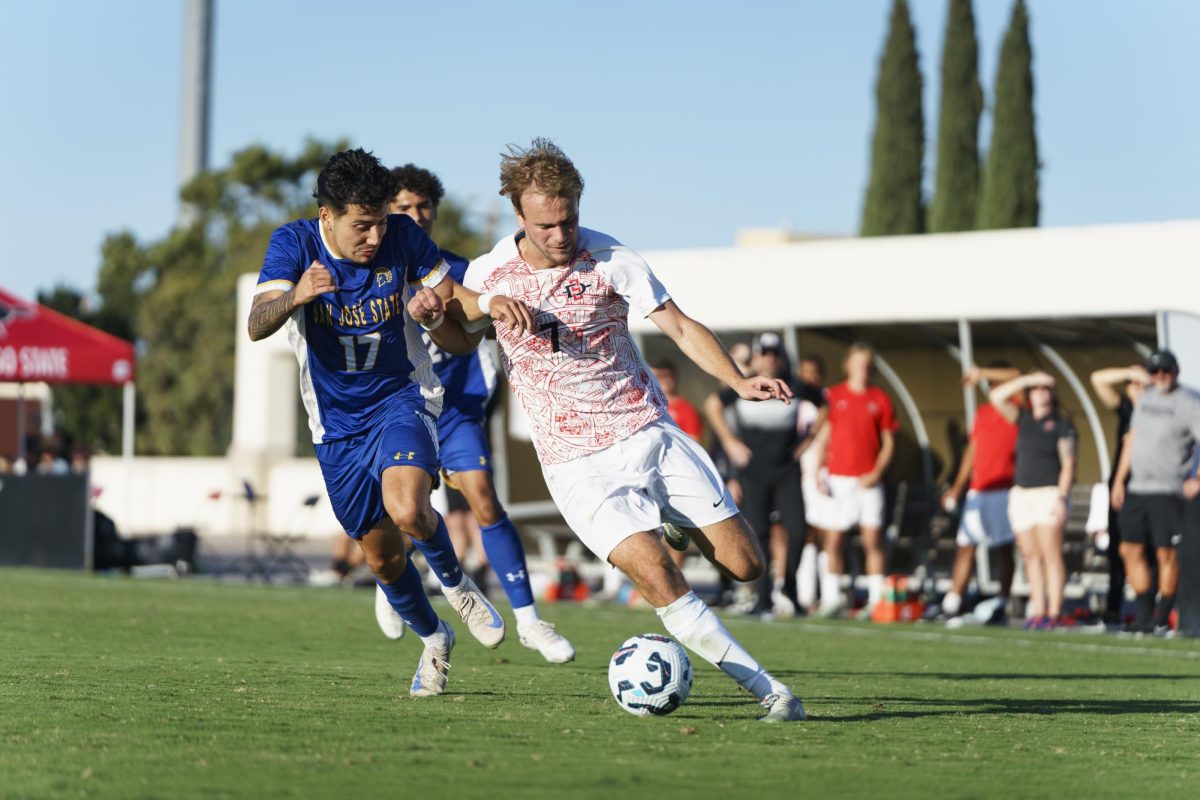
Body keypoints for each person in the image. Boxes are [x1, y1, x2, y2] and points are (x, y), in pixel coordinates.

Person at [409, 138, 805, 722]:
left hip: (647, 429)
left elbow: (678, 324)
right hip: (575, 463)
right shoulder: (492, 273)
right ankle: (769, 690)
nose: (560, 234)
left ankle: (675, 520)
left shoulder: (612, 258)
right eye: (546, 224)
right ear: (520, 216)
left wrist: (740, 380)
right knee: (659, 576)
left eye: (568, 219)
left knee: (748, 565)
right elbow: (462, 341)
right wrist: (441, 316)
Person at [246, 148, 509, 698]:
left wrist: (451, 313)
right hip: (335, 424)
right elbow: (256, 325)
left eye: (379, 223)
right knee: (383, 560)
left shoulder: (403, 238)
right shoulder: (292, 245)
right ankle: (435, 640)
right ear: (327, 217)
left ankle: (458, 586)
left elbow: (460, 328)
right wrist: (298, 293)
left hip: (400, 397)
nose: (373, 236)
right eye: (360, 226)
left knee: (409, 507)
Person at [377, 163, 574, 663]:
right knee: (405, 509)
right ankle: (392, 585)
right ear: (385, 214)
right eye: (404, 208)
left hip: (457, 408)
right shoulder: (368, 273)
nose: (416, 216)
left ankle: (530, 621)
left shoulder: (458, 271)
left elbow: (486, 315)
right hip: (400, 407)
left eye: (424, 207)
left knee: (484, 497)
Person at [705, 332, 819, 617]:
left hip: (786, 470)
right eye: (765, 353)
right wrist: (730, 443)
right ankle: (763, 598)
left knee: (798, 530)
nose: (770, 359)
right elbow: (712, 405)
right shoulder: (746, 385)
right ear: (756, 357)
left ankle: (789, 588)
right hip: (754, 471)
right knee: (760, 534)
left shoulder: (793, 384)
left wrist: (810, 439)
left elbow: (824, 404)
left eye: (774, 353)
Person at [1110, 349, 1200, 634]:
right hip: (1137, 487)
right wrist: (1119, 479)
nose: (1160, 377)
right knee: (1129, 549)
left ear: (1175, 371)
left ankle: (1163, 615)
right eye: (1155, 372)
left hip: (1168, 489)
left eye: (1165, 371)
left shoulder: (1188, 403)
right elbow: (1132, 439)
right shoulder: (1145, 399)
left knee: (1166, 553)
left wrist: (1197, 477)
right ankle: (1144, 614)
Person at [807, 343, 897, 616]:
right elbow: (823, 435)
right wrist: (818, 472)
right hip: (838, 479)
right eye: (858, 362)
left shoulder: (880, 398)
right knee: (833, 540)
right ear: (848, 365)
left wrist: (877, 473)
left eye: (867, 363)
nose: (863, 368)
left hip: (868, 481)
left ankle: (876, 599)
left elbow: (889, 442)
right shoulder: (834, 396)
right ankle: (833, 599)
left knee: (872, 540)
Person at [935, 364, 1021, 626]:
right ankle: (952, 603)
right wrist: (958, 487)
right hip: (979, 490)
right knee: (965, 546)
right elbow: (972, 451)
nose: (993, 387)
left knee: (1004, 550)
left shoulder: (1018, 407)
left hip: (1005, 489)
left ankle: (1003, 603)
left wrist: (983, 372)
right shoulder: (983, 412)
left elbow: (1017, 376)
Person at [989, 371, 1076, 629]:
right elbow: (995, 396)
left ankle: (1054, 611)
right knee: (1031, 556)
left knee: (1050, 554)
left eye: (1045, 388)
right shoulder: (1023, 418)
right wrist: (1025, 380)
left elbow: (1069, 463)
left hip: (1049, 493)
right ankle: (1038, 610)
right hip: (1022, 494)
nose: (1041, 392)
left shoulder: (1061, 424)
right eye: (1036, 389)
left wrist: (1061, 497)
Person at [1090, 363, 1151, 625]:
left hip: (1150, 489)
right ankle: (1114, 607)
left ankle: (1152, 610)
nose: (1136, 389)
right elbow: (1097, 378)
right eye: (1132, 385)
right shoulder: (1126, 410)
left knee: (1149, 552)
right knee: (1119, 551)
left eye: (1141, 384)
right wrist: (1129, 372)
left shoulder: (1159, 413)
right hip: (1122, 490)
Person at [650, 359, 703, 570]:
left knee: (679, 531)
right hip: (652, 475)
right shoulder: (650, 403)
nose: (664, 381)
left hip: (675, 475)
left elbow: (694, 440)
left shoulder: (685, 408)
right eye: (659, 376)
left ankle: (677, 576)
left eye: (666, 376)